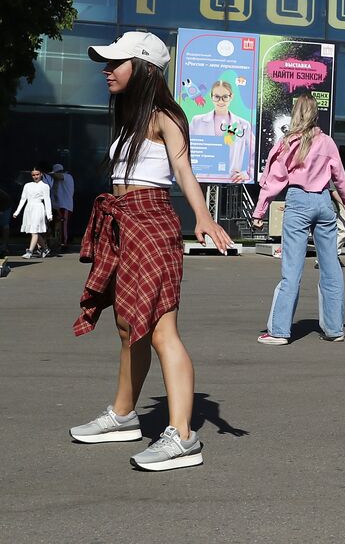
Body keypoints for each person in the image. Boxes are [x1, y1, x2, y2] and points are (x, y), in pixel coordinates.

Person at [70, 31, 233, 471]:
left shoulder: (166, 116)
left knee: (161, 331)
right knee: (127, 328)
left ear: (143, 67)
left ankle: (182, 435)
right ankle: (123, 415)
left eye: (115, 62)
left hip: (151, 223)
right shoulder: (129, 116)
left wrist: (203, 217)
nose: (106, 69)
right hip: (123, 223)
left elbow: (184, 170)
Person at [251, 92, 345, 345]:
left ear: (296, 114)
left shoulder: (288, 143)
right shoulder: (328, 142)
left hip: (298, 202)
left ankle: (279, 331)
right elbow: (341, 179)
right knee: (331, 268)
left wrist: (260, 211)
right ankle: (334, 330)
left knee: (292, 269)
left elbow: (273, 181)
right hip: (323, 203)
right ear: (316, 114)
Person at [190, 80, 254, 183]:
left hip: (231, 182)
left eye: (225, 97)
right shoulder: (197, 121)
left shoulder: (243, 124)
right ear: (211, 97)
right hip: (202, 181)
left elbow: (254, 153)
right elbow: (185, 148)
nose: (221, 101)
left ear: (231, 97)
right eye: (217, 97)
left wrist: (247, 174)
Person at [16, 167, 52, 259]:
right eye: (33, 175)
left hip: (38, 209)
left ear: (41, 175)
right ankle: (45, 249)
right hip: (29, 209)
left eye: (37, 174)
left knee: (34, 231)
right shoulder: (27, 185)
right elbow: (23, 199)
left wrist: (49, 214)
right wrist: (17, 211)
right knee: (33, 231)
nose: (35, 176)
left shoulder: (45, 186)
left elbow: (47, 201)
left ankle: (30, 251)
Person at [51, 163, 75, 252]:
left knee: (63, 225)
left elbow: (58, 176)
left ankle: (64, 244)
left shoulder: (67, 177)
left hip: (65, 205)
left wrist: (47, 173)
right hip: (57, 206)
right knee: (57, 225)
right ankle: (55, 242)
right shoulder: (54, 181)